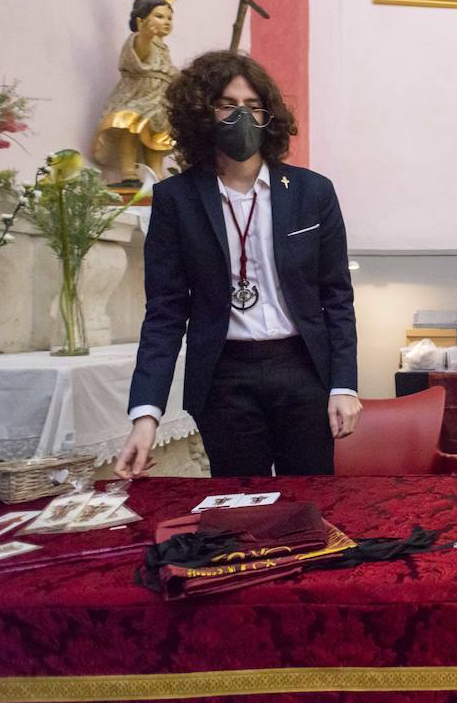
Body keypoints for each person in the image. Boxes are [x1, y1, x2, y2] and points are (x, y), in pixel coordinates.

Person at [114, 51, 360, 479]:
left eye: (252, 106)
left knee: (314, 503)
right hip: (224, 377)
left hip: (301, 370)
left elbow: (336, 296)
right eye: (227, 105)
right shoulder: (177, 199)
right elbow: (165, 313)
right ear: (202, 113)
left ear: (269, 116)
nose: (241, 116)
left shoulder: (312, 192)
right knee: (239, 511)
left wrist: (343, 385)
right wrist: (145, 415)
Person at [93, 0, 178, 184]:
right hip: (137, 98)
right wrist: (145, 35)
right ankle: (128, 171)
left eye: (169, 18)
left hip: (159, 100)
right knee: (131, 126)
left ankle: (156, 172)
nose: (166, 22)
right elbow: (140, 52)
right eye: (159, 16)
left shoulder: (164, 49)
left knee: (159, 135)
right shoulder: (140, 39)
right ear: (141, 20)